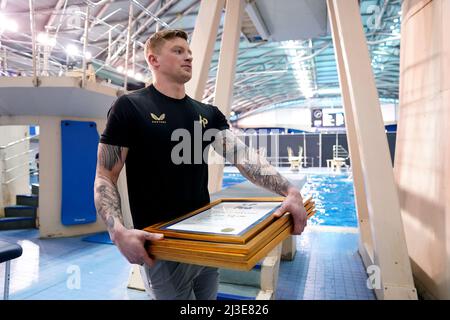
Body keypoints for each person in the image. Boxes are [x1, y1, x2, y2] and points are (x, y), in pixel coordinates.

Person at [94, 29, 308, 300]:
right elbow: (104, 176)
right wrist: (117, 232)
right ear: (154, 60)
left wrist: (289, 191)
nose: (189, 58)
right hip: (163, 245)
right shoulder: (129, 107)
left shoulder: (207, 114)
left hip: (204, 239)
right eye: (178, 51)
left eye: (190, 53)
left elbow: (243, 157)